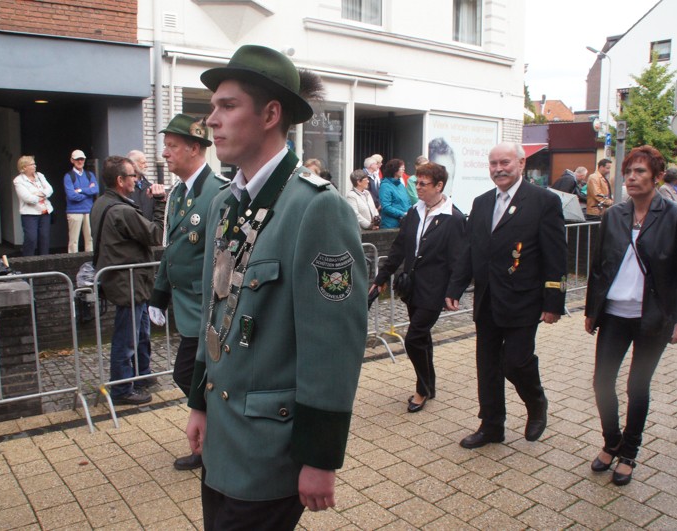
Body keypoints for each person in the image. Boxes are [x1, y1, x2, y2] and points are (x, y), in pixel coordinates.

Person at [187, 44, 367, 529]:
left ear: (270, 115)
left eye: (227, 106)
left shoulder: (315, 207)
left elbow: (333, 344)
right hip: (223, 440)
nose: (212, 120)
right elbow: (213, 309)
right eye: (213, 107)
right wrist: (199, 404)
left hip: (270, 450)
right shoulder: (226, 202)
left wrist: (320, 456)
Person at [585, 145, 677, 486]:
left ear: (657, 177)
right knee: (602, 381)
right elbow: (599, 267)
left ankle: (629, 453)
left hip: (653, 316)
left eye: (640, 172)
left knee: (637, 385)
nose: (632, 178)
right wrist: (592, 311)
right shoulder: (614, 215)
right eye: (628, 172)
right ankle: (612, 441)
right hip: (614, 314)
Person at [446, 142, 567, 449]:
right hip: (487, 298)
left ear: (521, 163)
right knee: (487, 365)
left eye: (505, 162)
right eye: (493, 164)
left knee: (515, 362)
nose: (498, 169)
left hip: (523, 298)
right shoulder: (482, 202)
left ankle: (536, 401)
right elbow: (470, 248)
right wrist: (455, 286)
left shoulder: (544, 201)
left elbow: (555, 255)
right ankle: (491, 425)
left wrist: (554, 302)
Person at [148, 114, 226, 471]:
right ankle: (214, 440)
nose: (165, 153)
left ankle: (215, 440)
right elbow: (172, 250)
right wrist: (159, 294)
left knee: (189, 375)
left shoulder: (219, 193)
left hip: (208, 308)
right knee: (195, 377)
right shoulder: (179, 193)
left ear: (195, 148)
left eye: (172, 146)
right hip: (186, 306)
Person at [370, 162, 465, 412]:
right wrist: (381, 278)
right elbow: (399, 248)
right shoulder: (414, 211)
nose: (418, 187)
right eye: (417, 182)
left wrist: (454, 292)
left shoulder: (453, 218)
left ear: (439, 185)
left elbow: (459, 260)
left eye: (423, 183)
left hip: (435, 290)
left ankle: (422, 389)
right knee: (422, 338)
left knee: (413, 339)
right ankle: (429, 384)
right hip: (412, 288)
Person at [91, 156, 166, 406]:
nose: (137, 179)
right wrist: (160, 202)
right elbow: (156, 235)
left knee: (141, 332)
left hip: (129, 280)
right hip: (128, 282)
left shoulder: (102, 203)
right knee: (127, 338)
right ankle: (122, 389)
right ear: (120, 180)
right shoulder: (121, 210)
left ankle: (141, 374)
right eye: (133, 175)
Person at [13, 155, 53, 256]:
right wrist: (42, 195)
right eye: (32, 164)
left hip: (45, 212)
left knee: (44, 238)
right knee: (31, 238)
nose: (35, 166)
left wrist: (39, 194)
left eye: (34, 164)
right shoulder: (18, 180)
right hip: (30, 214)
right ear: (24, 167)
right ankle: (27, 261)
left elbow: (50, 190)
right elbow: (27, 198)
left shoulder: (40, 175)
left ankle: (44, 260)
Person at [63, 149, 98, 253]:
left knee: (90, 239)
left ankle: (90, 260)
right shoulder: (68, 176)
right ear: (72, 160)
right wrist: (88, 193)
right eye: (77, 159)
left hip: (88, 210)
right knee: (73, 241)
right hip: (74, 212)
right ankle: (72, 261)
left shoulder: (90, 175)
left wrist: (80, 190)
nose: (80, 161)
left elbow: (96, 190)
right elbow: (71, 196)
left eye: (82, 159)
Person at [378, 158, 410, 229]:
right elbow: (386, 207)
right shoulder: (385, 186)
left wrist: (410, 212)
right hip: (390, 225)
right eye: (402, 168)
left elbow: (408, 201)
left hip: (403, 223)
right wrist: (403, 214)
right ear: (395, 170)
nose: (403, 170)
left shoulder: (401, 185)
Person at [128, 149, 156, 221]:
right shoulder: (124, 189)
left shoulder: (151, 187)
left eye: (146, 162)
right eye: (143, 163)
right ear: (132, 165)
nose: (146, 166)